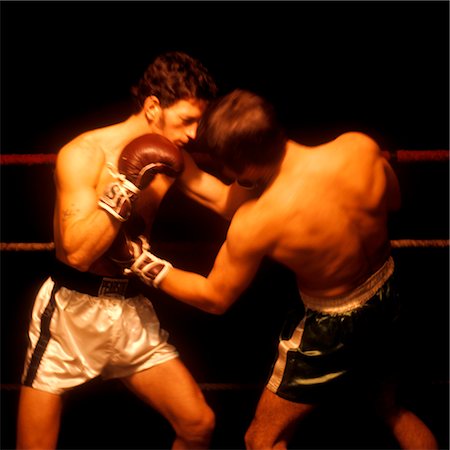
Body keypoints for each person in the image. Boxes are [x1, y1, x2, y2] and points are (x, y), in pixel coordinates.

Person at [134, 89, 439, 450]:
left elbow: (214, 298)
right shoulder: (358, 147)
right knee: (390, 409)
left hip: (331, 327)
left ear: (240, 168)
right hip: (390, 291)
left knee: (263, 439)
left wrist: (142, 263)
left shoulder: (259, 221)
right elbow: (394, 201)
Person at [17, 51, 255, 450]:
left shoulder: (171, 157)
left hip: (129, 309)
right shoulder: (83, 154)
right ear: (152, 107)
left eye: (200, 122)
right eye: (186, 120)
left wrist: (250, 160)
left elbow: (229, 205)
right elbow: (76, 253)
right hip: (68, 316)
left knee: (198, 425)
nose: (195, 134)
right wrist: (126, 185)